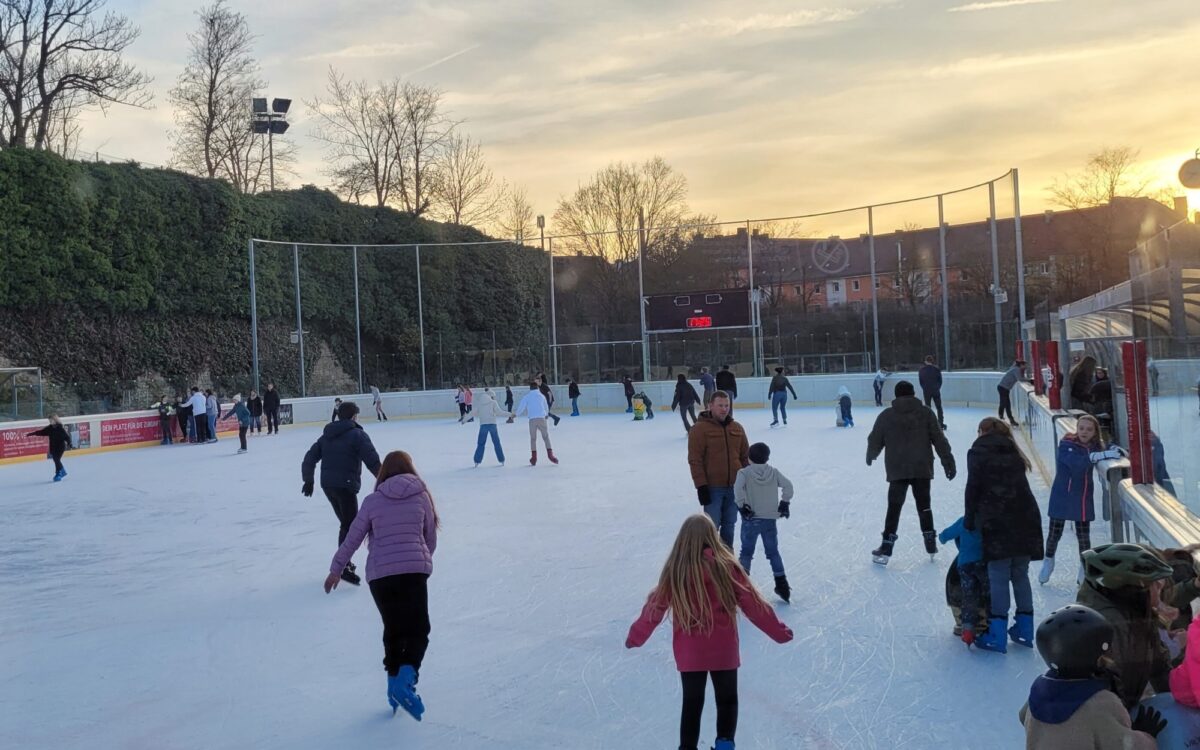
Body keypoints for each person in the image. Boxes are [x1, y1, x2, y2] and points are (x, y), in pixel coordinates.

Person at [625, 514, 794, 750]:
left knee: (692, 704)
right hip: (723, 651)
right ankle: (725, 746)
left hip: (690, 652)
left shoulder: (675, 573)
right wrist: (779, 631)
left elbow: (654, 609)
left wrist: (636, 637)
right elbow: (754, 604)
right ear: (712, 537)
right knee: (727, 701)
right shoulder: (727, 568)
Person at [324, 450, 438, 721]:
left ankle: (392, 687)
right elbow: (430, 536)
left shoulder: (372, 501)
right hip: (413, 571)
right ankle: (404, 682)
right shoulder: (421, 495)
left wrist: (335, 569)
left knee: (394, 629)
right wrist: (420, 558)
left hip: (380, 576)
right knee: (418, 628)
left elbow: (352, 537)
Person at [1020, 604, 1166, 749]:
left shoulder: (1039, 691)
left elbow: (1022, 716)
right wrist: (1146, 736)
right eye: (1106, 653)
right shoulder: (1100, 702)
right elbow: (1123, 745)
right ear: (1095, 659)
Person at [965, 417, 1044, 653]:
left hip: (998, 519)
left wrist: (970, 518)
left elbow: (973, 488)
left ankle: (996, 633)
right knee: (1020, 574)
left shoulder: (977, 452)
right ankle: (1025, 628)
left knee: (998, 575)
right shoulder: (1013, 451)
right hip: (1026, 516)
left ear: (982, 431)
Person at [865, 380, 956, 565]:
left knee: (894, 508)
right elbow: (939, 439)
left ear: (896, 395)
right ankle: (930, 542)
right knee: (924, 506)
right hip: (922, 468)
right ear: (914, 394)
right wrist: (948, 461)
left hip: (897, 469)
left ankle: (887, 545)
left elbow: (875, 438)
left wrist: (871, 454)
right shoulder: (926, 413)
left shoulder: (886, 415)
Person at [1076, 543, 1175, 709]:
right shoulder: (1110, 627)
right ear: (1134, 588)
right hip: (1099, 726)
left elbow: (1160, 670)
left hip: (1119, 717)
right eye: (1156, 585)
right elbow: (1106, 698)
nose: (1160, 591)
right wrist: (1127, 727)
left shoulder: (1137, 614)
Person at [302, 401, 383, 586]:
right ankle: (343, 566)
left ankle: (344, 563)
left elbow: (309, 457)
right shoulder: (357, 435)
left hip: (328, 485)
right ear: (354, 417)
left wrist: (308, 480)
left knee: (347, 524)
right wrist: (385, 480)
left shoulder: (326, 436)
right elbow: (372, 459)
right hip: (345, 485)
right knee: (350, 525)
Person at [1039, 414, 1120, 585]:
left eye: (1089, 429)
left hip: (1082, 497)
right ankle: (1048, 560)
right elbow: (1075, 463)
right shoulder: (1067, 443)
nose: (1084, 432)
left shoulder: (1095, 446)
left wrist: (1116, 450)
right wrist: (1098, 456)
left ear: (1094, 432)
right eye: (1081, 428)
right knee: (1055, 533)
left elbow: (1105, 448)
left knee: (1083, 536)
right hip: (1063, 494)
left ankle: (1085, 566)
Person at [688, 391, 750, 549]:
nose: (724, 409)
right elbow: (695, 460)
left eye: (727, 405)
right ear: (710, 406)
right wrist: (701, 486)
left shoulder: (737, 428)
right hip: (713, 488)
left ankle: (727, 562)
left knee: (729, 526)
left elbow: (745, 457)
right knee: (710, 528)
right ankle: (709, 562)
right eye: (720, 405)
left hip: (734, 488)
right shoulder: (699, 429)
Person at [734, 442, 794, 602]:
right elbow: (788, 486)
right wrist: (784, 502)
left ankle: (741, 588)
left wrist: (741, 505)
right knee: (773, 552)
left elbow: (737, 489)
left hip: (751, 519)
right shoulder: (773, 472)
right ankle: (782, 585)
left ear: (749, 458)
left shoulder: (744, 473)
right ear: (767, 458)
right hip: (769, 519)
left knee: (746, 552)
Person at [939, 514, 987, 645]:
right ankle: (986, 620)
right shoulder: (988, 520)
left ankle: (966, 627)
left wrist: (941, 537)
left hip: (965, 564)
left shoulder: (965, 520)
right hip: (984, 563)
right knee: (987, 590)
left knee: (968, 594)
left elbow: (947, 534)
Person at [516, 382, 557, 465]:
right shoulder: (542, 396)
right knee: (546, 437)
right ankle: (551, 456)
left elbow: (521, 407)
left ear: (530, 388)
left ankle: (534, 458)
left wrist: (515, 415)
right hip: (542, 418)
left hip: (532, 419)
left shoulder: (527, 397)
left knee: (533, 439)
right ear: (537, 388)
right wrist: (546, 414)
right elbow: (546, 407)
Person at [472, 387, 512, 467]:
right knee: (496, 443)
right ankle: (501, 459)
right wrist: (510, 414)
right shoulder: (493, 402)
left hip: (483, 425)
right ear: (491, 396)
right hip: (492, 425)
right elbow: (500, 412)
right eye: (493, 396)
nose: (494, 398)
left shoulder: (480, 403)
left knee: (481, 443)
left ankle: (477, 460)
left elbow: (473, 413)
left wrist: (465, 419)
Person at [27, 415, 70, 481]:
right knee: (56, 460)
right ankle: (60, 472)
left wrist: (70, 443)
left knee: (56, 459)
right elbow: (41, 432)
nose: (50, 422)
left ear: (55, 420)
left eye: (51, 420)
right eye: (49, 420)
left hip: (60, 447)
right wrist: (32, 433)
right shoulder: (49, 428)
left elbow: (66, 437)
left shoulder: (60, 428)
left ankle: (60, 472)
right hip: (53, 447)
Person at [918, 355, 945, 430]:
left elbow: (921, 381)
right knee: (939, 407)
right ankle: (940, 423)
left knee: (928, 407)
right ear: (932, 361)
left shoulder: (922, 370)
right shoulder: (936, 369)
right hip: (935, 390)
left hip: (926, 390)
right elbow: (940, 380)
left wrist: (924, 388)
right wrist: (937, 387)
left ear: (926, 361)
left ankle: (928, 423)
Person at [997, 359, 1026, 427]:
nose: (1025, 367)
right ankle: (1001, 417)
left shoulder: (1015, 368)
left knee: (1007, 404)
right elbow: (1020, 379)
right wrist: (1030, 380)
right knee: (1004, 403)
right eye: (1024, 365)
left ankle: (1008, 419)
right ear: (1021, 365)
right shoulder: (1016, 369)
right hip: (1003, 388)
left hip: (1004, 388)